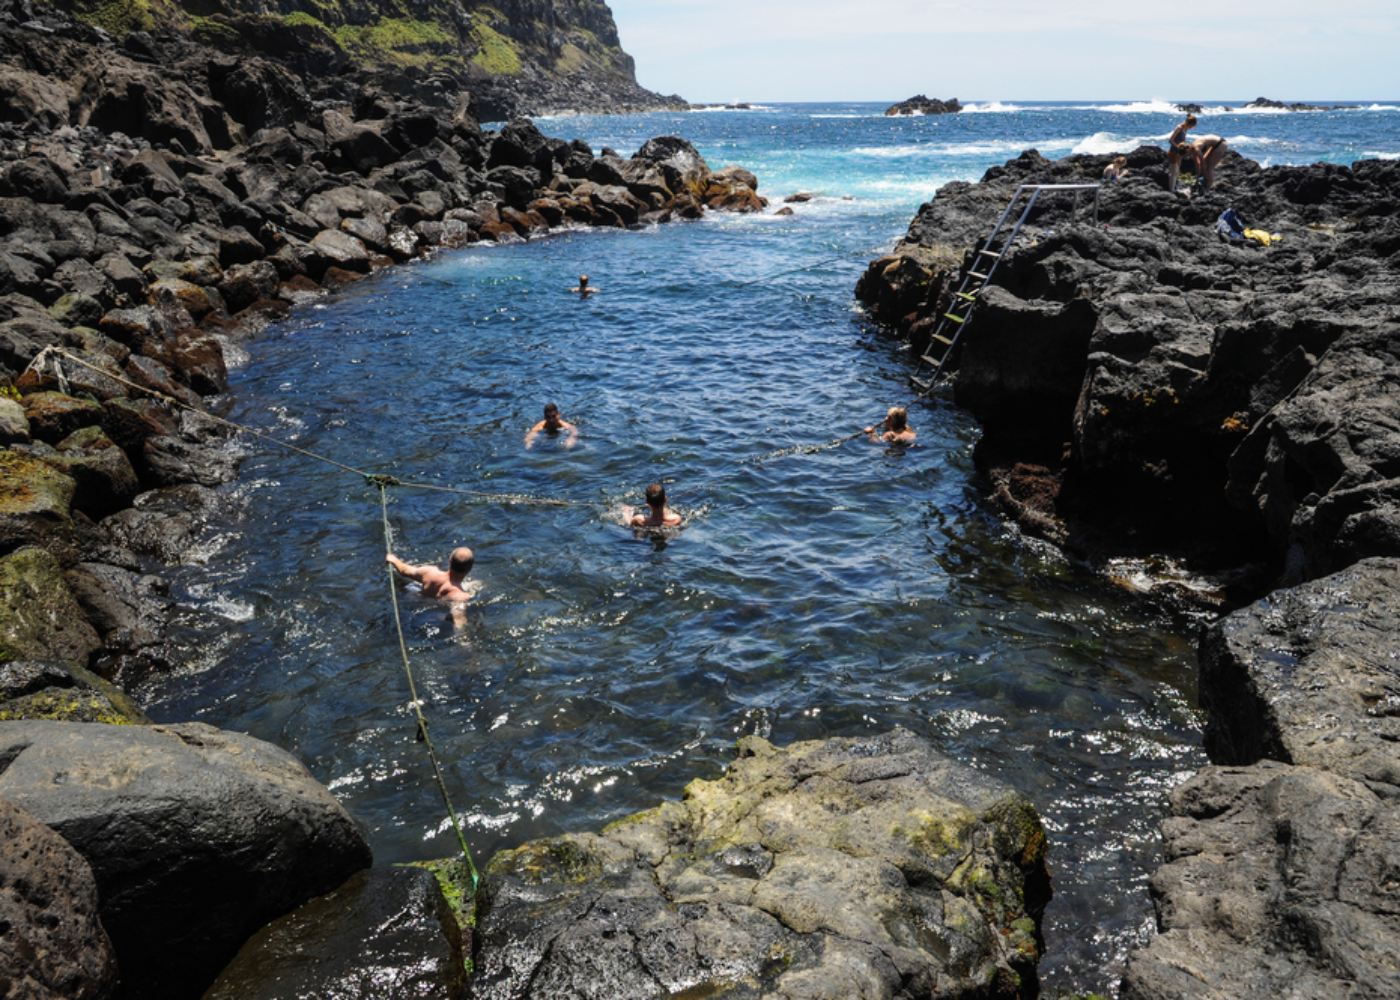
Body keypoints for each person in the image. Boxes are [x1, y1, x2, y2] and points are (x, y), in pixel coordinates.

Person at [386, 547, 476, 627]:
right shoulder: (460, 596)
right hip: (431, 614)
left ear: (450, 560)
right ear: (470, 568)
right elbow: (458, 620)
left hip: (414, 601)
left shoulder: (429, 572)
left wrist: (393, 559)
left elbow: (404, 570)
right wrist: (464, 642)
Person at [1166, 113, 1200, 192]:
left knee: (1177, 171)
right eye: (1191, 126)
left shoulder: (1185, 129)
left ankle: (1174, 187)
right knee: (1173, 172)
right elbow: (1171, 140)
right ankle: (1171, 190)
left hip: (1180, 153)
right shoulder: (1179, 128)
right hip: (1173, 152)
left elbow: (1182, 141)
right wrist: (1179, 147)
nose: (1191, 128)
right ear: (1188, 123)